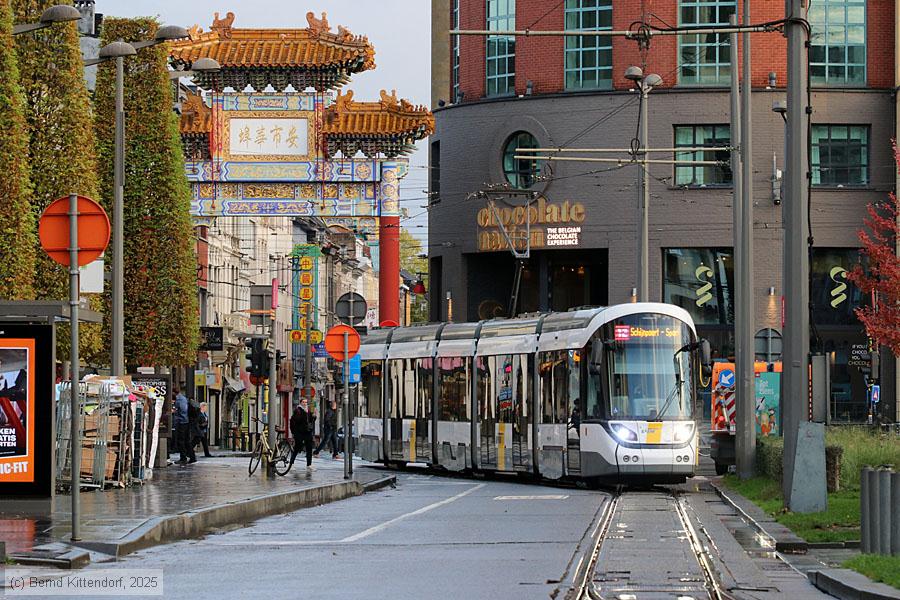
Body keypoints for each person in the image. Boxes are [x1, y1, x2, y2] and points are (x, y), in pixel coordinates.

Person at [289, 398, 315, 470]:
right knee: (297, 448)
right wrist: (293, 432)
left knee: (309, 448)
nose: (305, 403)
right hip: (299, 432)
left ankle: (309, 465)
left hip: (307, 432)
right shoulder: (297, 410)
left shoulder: (308, 411)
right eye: (303, 402)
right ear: (300, 403)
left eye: (306, 402)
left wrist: (313, 417)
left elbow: (310, 421)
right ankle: (291, 463)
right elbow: (297, 420)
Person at [174, 387, 195, 464]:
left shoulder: (180, 399)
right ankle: (192, 457)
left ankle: (183, 458)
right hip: (184, 422)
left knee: (182, 441)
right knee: (186, 441)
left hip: (183, 423)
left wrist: (176, 413)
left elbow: (183, 411)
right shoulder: (183, 398)